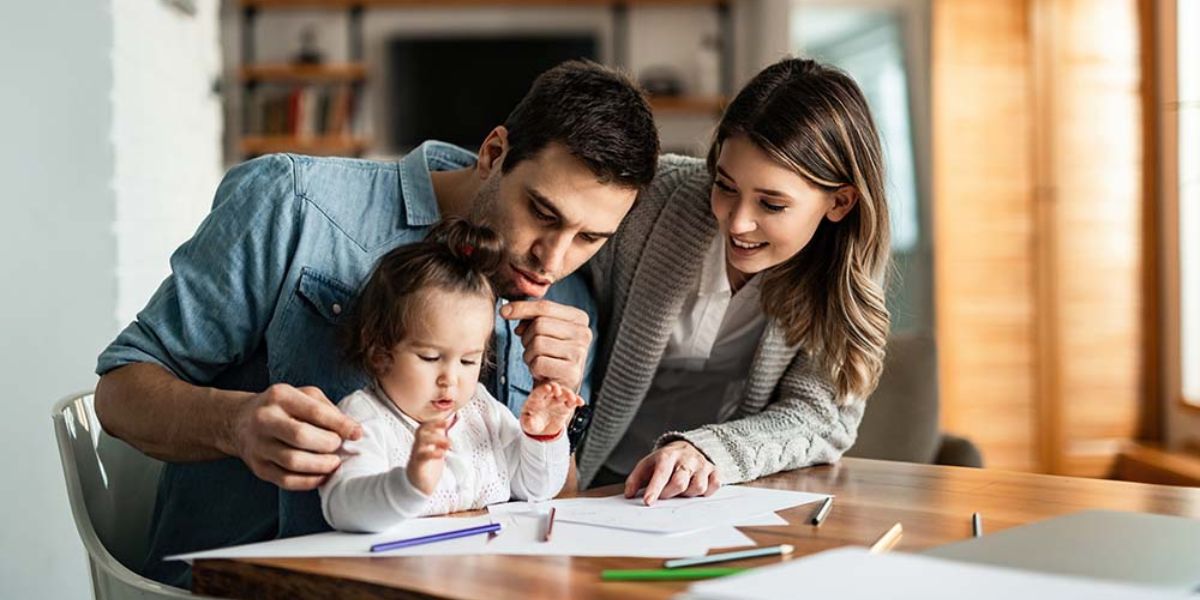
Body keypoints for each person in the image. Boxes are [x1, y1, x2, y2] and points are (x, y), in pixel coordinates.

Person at [93, 60, 658, 586]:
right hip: (258, 589)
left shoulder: (568, 297)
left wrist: (550, 417)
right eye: (542, 213)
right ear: (493, 153)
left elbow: (552, 499)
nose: (552, 261)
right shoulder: (293, 204)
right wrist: (234, 424)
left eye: (589, 238)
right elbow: (119, 395)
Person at [577, 58, 891, 503]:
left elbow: (822, 419)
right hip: (595, 484)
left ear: (839, 203)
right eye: (725, 185)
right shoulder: (648, 204)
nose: (738, 223)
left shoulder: (844, 277)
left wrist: (711, 451)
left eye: (772, 204)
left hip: (716, 496)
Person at [321, 218, 582, 532]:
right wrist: (409, 484)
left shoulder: (481, 412)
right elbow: (342, 508)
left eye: (469, 361)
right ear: (380, 354)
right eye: (431, 357)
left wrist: (544, 436)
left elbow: (535, 489)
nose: (451, 379)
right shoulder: (363, 419)